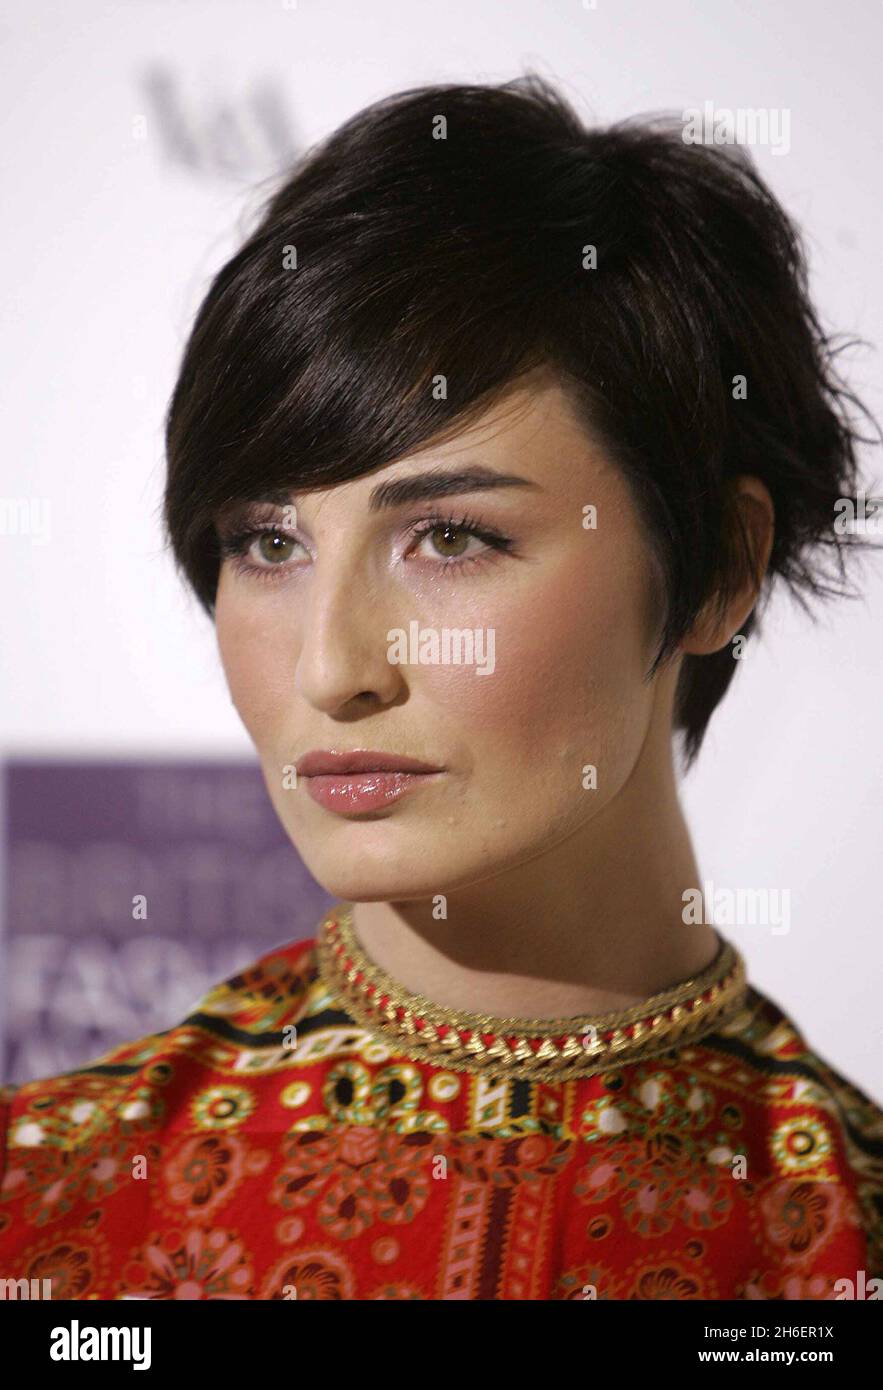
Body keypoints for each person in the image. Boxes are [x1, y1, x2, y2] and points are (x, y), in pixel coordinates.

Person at [2, 74, 881, 1301]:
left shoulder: (844, 1247)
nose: (329, 669)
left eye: (453, 539)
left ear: (718, 569)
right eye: (267, 544)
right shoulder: (52, 1208)